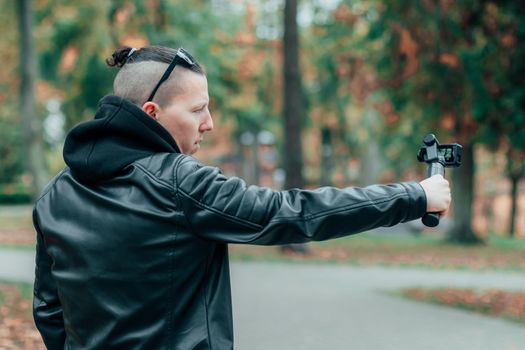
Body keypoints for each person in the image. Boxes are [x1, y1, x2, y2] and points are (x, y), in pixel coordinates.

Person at [32, 45, 451, 350]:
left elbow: (50, 311)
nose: (209, 124)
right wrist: (414, 196)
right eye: (197, 110)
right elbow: (288, 214)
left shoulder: (55, 194)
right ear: (151, 114)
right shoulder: (178, 182)